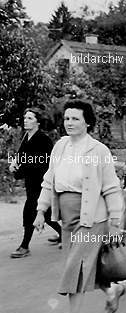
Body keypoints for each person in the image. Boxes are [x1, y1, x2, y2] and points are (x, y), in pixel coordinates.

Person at [33, 100, 125, 313]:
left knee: (74, 268)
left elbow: (112, 188)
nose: (69, 123)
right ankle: (112, 289)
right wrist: (41, 210)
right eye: (66, 118)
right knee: (83, 266)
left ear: (87, 122)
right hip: (67, 218)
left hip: (92, 218)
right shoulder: (60, 146)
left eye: (75, 118)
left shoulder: (99, 151)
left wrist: (115, 221)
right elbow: (49, 181)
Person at [9, 108, 61, 258]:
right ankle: (64, 234)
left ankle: (24, 246)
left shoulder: (43, 139)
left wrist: (20, 170)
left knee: (30, 211)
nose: (26, 120)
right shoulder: (27, 136)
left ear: (38, 122)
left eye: (30, 118)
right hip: (31, 182)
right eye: (25, 117)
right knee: (45, 212)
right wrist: (15, 162)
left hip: (42, 182)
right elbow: (21, 154)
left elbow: (43, 163)